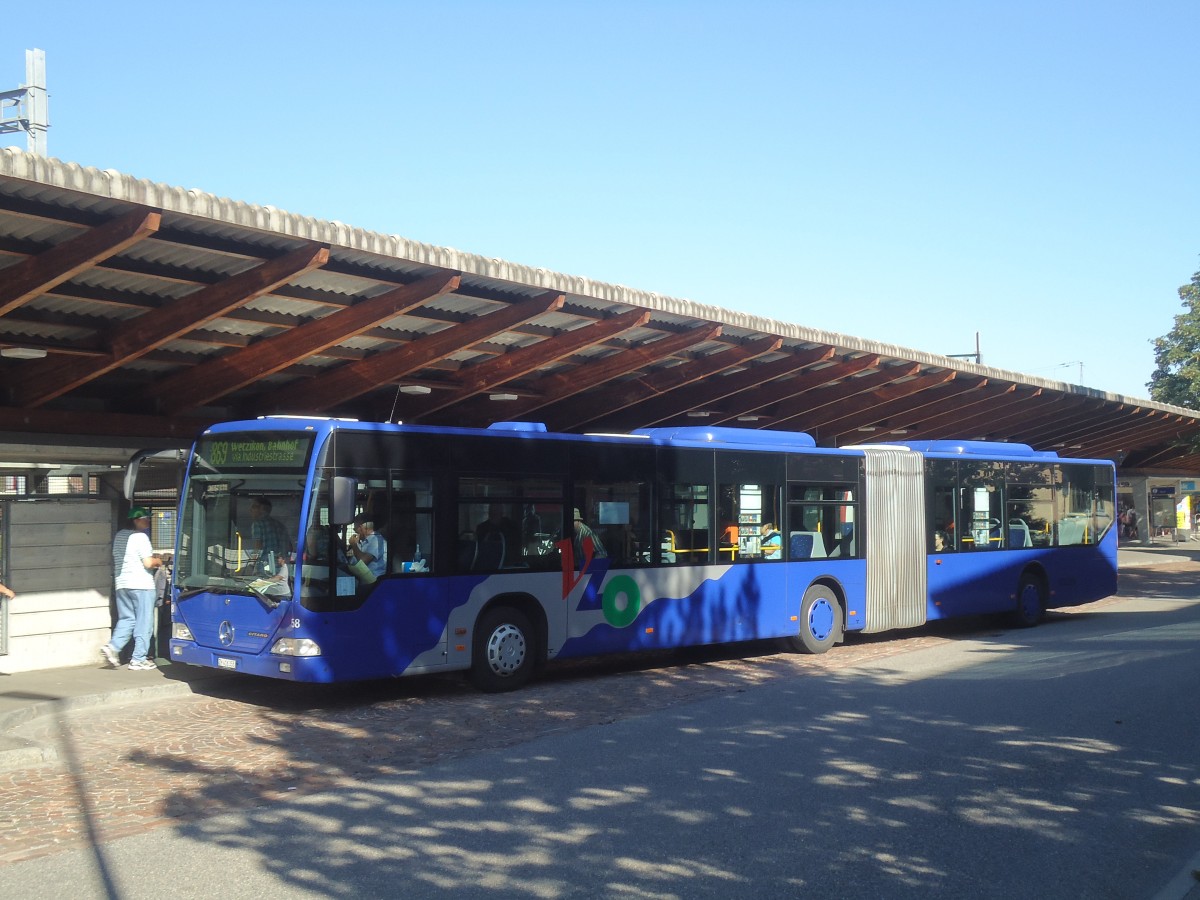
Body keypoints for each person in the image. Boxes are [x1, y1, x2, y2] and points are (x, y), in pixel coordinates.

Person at [101, 507, 164, 671]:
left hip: (122, 584)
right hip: (141, 585)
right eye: (145, 518)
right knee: (145, 622)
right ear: (136, 520)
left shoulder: (120, 535)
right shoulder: (140, 537)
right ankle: (138, 659)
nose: (148, 521)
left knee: (127, 619)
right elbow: (148, 563)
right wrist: (159, 561)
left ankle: (113, 647)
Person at [250, 496, 290, 564]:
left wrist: (253, 563)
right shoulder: (280, 525)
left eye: (254, 507)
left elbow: (258, 547)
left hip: (264, 566)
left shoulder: (257, 524)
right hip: (281, 566)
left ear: (262, 509)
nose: (250, 509)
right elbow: (289, 547)